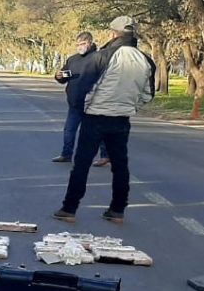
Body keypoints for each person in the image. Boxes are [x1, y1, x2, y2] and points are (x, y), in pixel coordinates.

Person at [53, 15, 156, 224]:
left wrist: (87, 107)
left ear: (113, 33)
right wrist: (129, 106)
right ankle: (117, 210)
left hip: (95, 117)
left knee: (81, 164)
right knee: (120, 166)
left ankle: (69, 209)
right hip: (122, 119)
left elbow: (85, 88)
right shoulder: (146, 60)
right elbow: (148, 94)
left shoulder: (102, 56)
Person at [52, 32, 107, 165]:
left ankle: (105, 156)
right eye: (78, 45)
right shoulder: (72, 59)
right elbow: (64, 78)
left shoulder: (99, 58)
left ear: (90, 43)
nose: (80, 47)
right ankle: (66, 154)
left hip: (93, 102)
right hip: (75, 103)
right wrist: (59, 76)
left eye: (82, 44)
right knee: (69, 130)